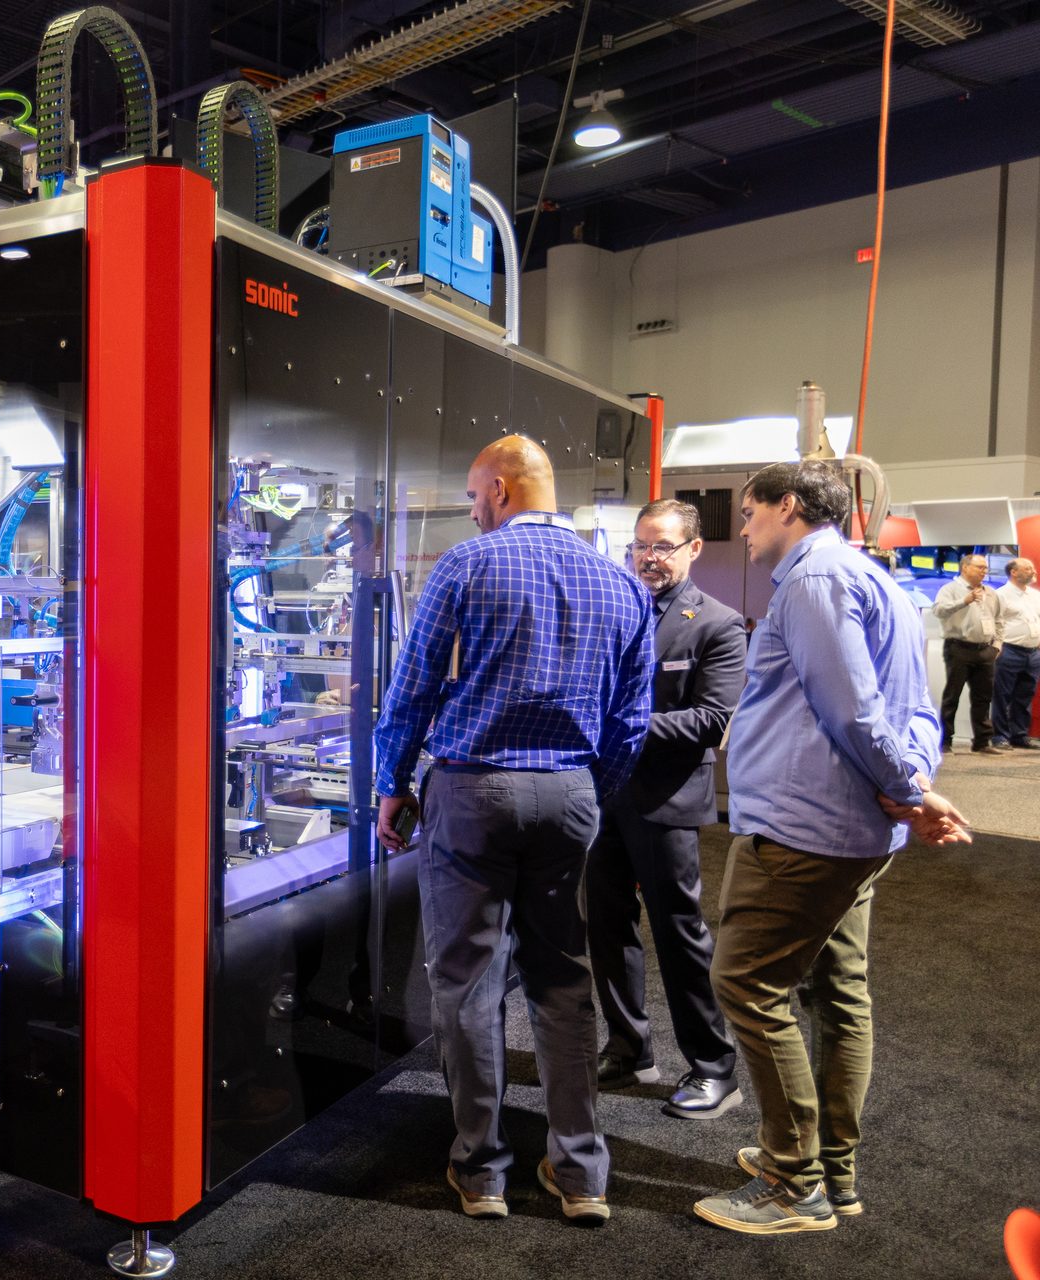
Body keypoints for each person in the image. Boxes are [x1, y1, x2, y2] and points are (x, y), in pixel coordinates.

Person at [373, 436, 652, 1226]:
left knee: (467, 984)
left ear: (499, 488)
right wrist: (585, 794)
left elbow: (413, 688)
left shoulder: (465, 566)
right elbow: (630, 722)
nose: (470, 509)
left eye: (471, 495)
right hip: (569, 792)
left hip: (470, 790)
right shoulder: (621, 583)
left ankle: (482, 1172)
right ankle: (582, 1173)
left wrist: (391, 786)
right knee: (563, 981)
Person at [694, 461, 971, 1236]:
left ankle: (794, 1184)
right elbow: (914, 709)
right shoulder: (875, 579)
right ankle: (831, 1173)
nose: (743, 527)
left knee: (747, 984)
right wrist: (910, 784)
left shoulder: (813, 581)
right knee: (839, 996)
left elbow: (849, 711)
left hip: (802, 828)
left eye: (750, 512)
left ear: (788, 505)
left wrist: (910, 792)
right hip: (849, 831)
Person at [586, 499, 744, 1118]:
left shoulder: (719, 624)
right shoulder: (611, 610)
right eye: (640, 546)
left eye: (662, 547)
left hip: (667, 800)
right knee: (607, 927)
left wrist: (622, 725)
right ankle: (628, 1047)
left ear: (693, 549)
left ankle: (713, 1067)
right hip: (600, 798)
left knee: (680, 935)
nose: (648, 558)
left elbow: (711, 720)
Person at [932, 554, 1004, 754]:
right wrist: (964, 601)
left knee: (983, 697)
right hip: (959, 648)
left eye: (985, 568)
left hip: (985, 650)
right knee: (952, 696)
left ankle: (982, 742)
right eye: (980, 567)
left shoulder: (991, 592)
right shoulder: (950, 589)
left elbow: (998, 620)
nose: (984, 571)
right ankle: (945, 741)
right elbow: (938, 610)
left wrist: (997, 645)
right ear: (965, 567)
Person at [991, 557, 1040, 749]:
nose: (1033, 571)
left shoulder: (1035, 595)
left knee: (1025, 695)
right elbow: (993, 622)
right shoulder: (1000, 595)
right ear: (1014, 572)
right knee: (1002, 695)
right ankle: (1000, 736)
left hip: (1033, 652)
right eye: (1028, 568)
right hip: (1009, 650)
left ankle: (1019, 735)